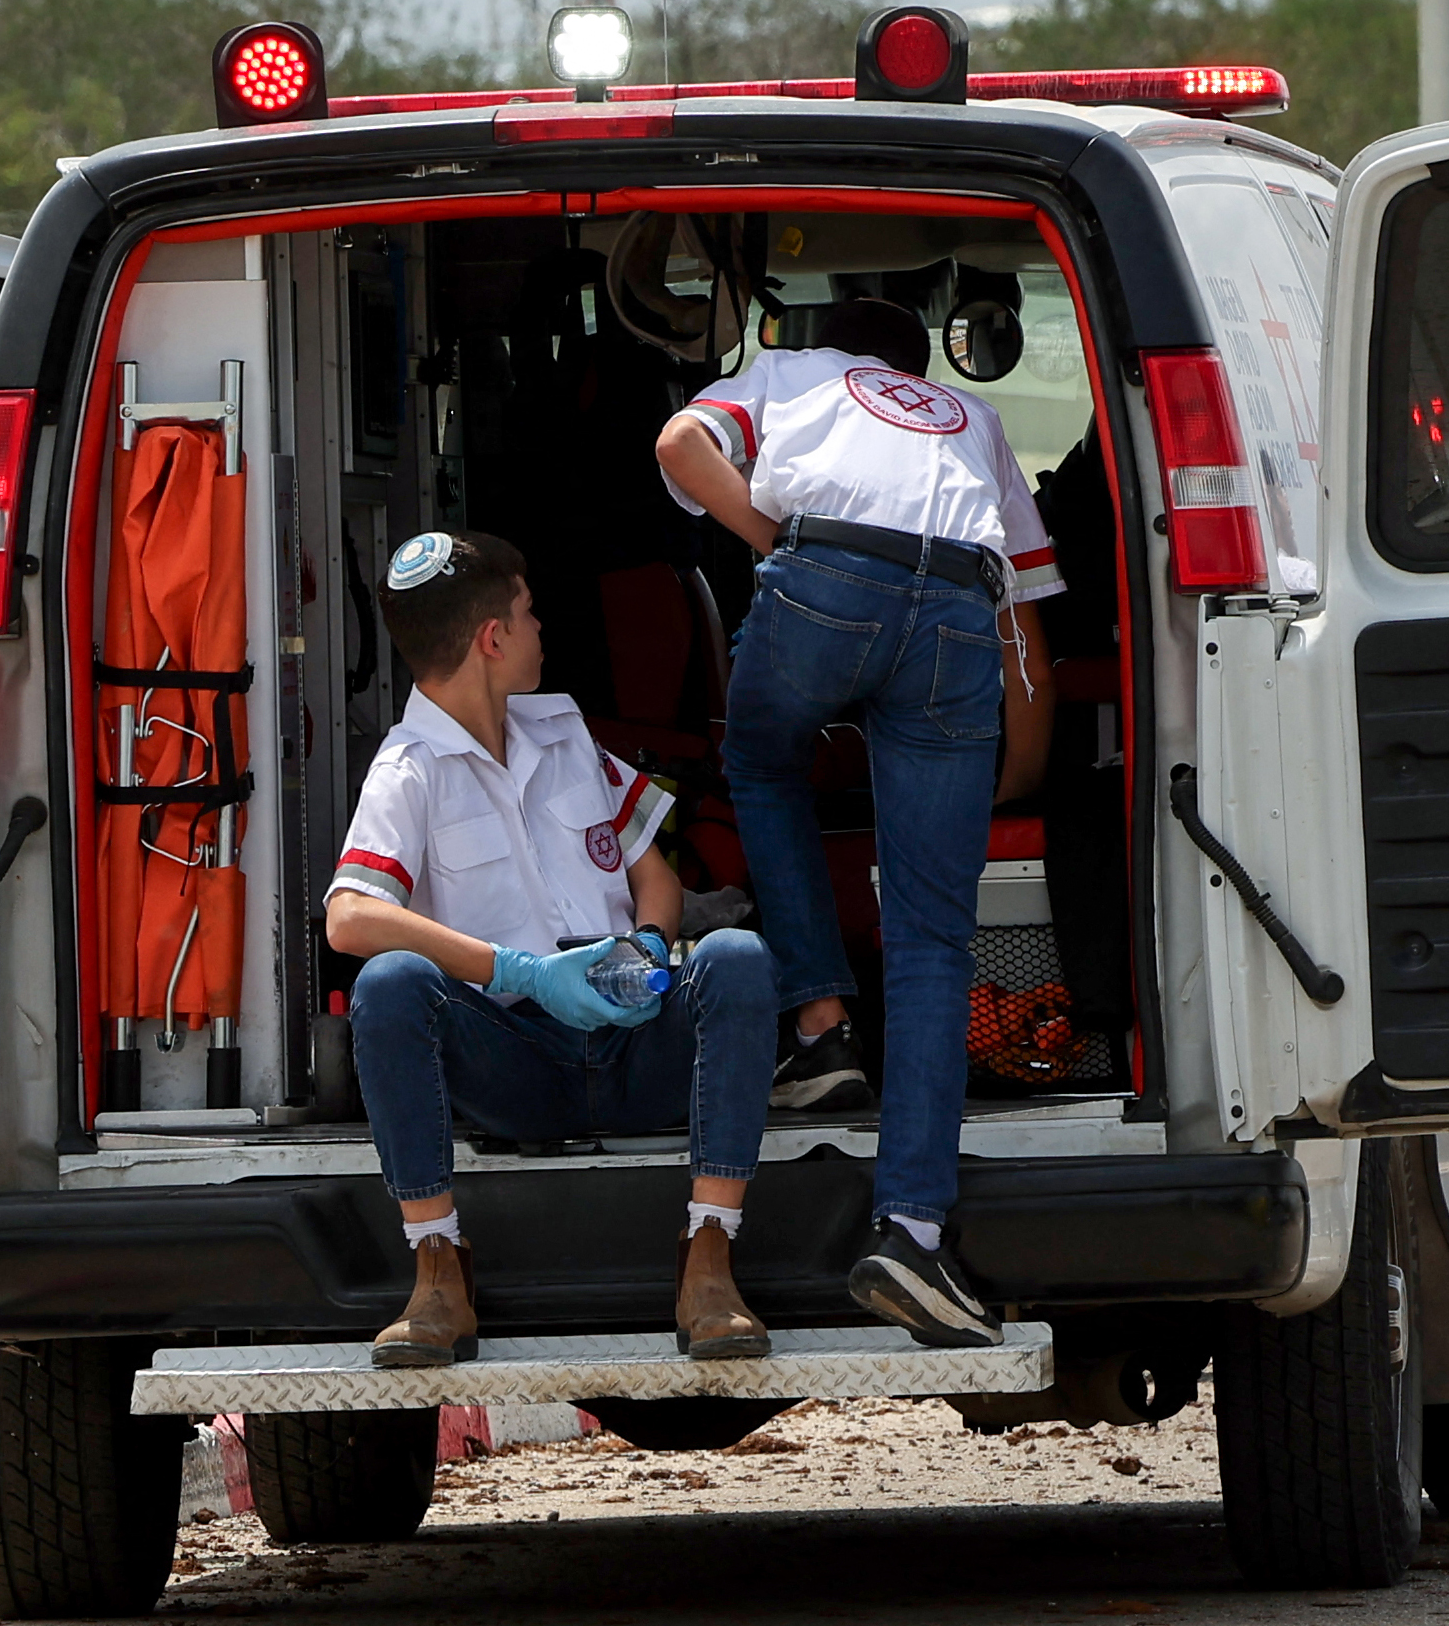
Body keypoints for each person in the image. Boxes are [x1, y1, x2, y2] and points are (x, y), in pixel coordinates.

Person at [653, 298, 1057, 1348]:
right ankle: (910, 1231)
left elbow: (680, 444)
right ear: (920, 360)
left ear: (823, 340)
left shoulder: (791, 377)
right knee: (932, 935)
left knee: (759, 761)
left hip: (823, 578)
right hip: (957, 616)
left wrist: (773, 538)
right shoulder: (972, 415)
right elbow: (1024, 608)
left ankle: (820, 1025)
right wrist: (1019, 766)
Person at [328, 529, 782, 1370]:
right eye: (529, 614)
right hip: (519, 1061)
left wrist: (645, 945)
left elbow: (656, 873)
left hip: (632, 1037)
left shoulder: (563, 727)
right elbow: (350, 917)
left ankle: (710, 1257)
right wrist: (518, 971)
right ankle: (437, 1267)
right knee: (390, 983)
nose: (543, 630)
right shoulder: (409, 767)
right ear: (492, 639)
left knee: (738, 957)